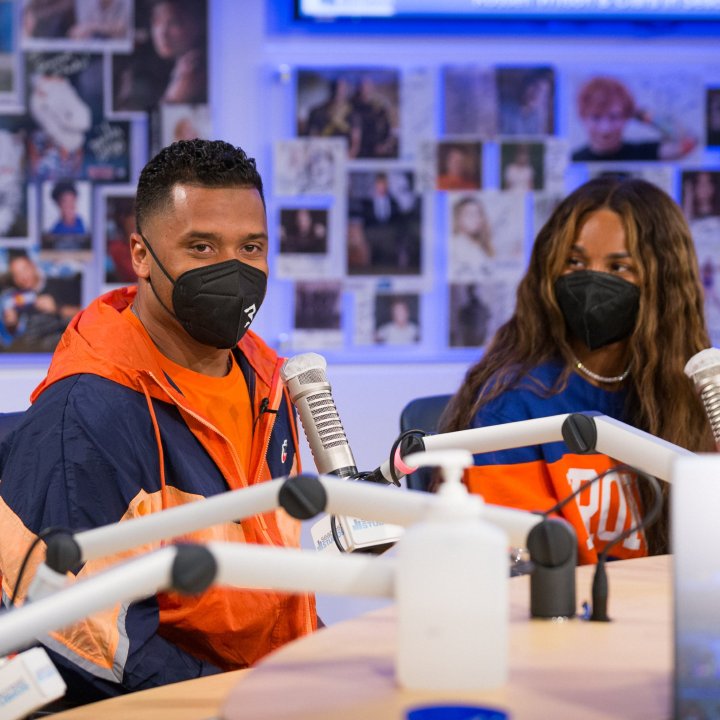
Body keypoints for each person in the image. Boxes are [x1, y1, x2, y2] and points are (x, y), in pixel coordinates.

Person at [0, 140, 316, 706]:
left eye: (251, 246)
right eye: (201, 246)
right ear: (141, 256)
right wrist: (249, 701)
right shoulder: (87, 418)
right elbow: (92, 643)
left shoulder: (269, 381)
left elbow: (278, 580)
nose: (234, 269)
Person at [438, 177, 715, 565]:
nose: (593, 280)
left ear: (663, 285)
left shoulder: (692, 398)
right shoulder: (511, 409)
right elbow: (520, 573)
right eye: (575, 262)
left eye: (619, 267)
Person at [571, 76, 698, 162]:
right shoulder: (573, 159)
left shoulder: (644, 153)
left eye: (614, 117)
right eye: (596, 117)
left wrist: (643, 115)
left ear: (626, 116)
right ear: (583, 117)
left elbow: (688, 142)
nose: (606, 128)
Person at [0, 251, 81, 351]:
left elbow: (85, 314)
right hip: (29, 353)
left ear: (33, 266)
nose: (22, 277)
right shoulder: (13, 297)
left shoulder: (60, 285)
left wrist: (57, 309)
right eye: (17, 275)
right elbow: (12, 335)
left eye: (24, 269)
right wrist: (12, 324)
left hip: (60, 349)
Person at [449, 195, 494, 279]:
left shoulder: (479, 245)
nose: (476, 218)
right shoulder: (454, 245)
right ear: (458, 218)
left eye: (479, 214)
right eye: (470, 214)